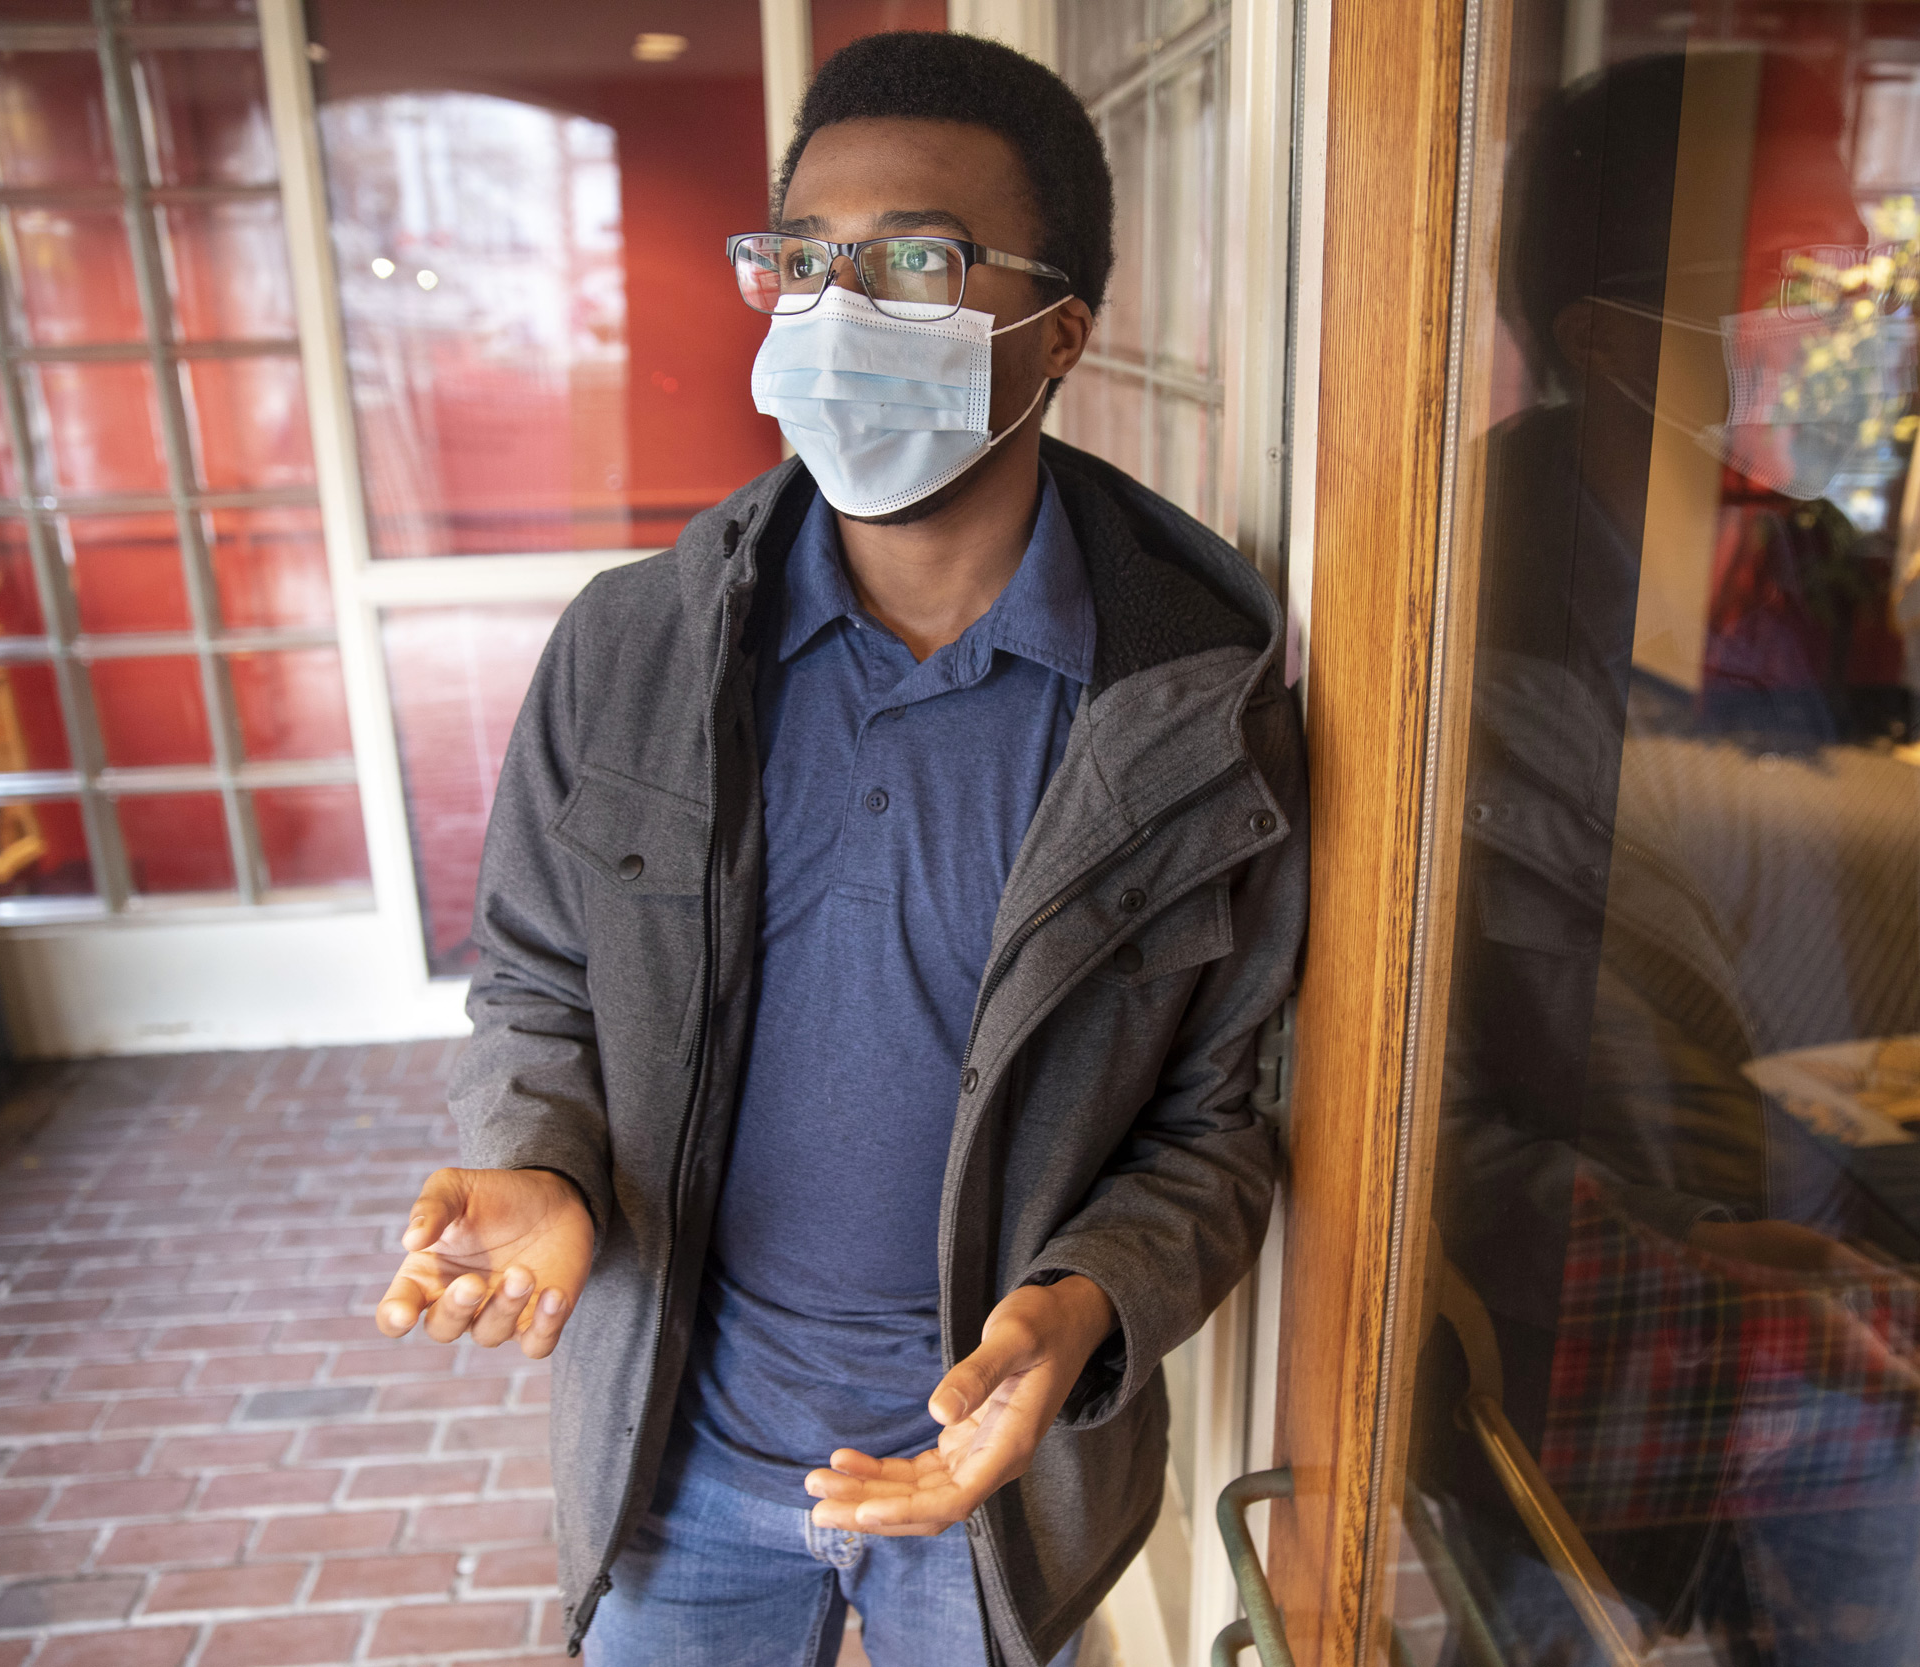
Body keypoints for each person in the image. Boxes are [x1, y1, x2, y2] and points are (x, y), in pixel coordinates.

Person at [367, 32, 1308, 1667]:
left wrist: (1080, 1312)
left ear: (1057, 333)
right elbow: (534, 979)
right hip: (681, 1451)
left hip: (996, 1477)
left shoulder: (1202, 699)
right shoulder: (633, 651)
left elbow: (1217, 1129)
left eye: (914, 262)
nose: (838, 308)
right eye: (804, 259)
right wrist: (540, 1156)